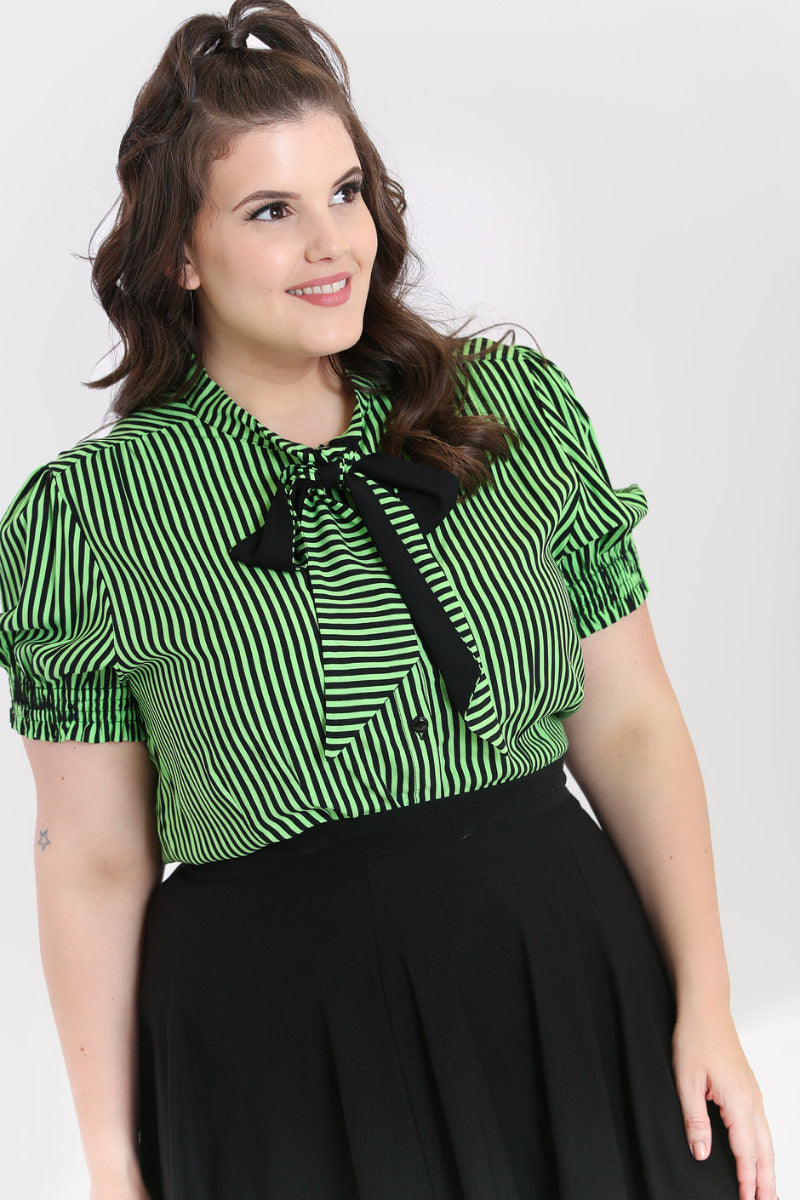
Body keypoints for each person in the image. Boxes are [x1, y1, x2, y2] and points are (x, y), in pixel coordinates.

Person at [0, 1, 780, 1198]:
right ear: (178, 256)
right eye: (270, 211)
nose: (332, 244)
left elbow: (628, 724)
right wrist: (110, 1161)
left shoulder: (508, 411)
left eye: (345, 192)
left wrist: (706, 1003)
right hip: (280, 1050)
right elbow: (94, 862)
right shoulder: (88, 519)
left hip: (559, 993)